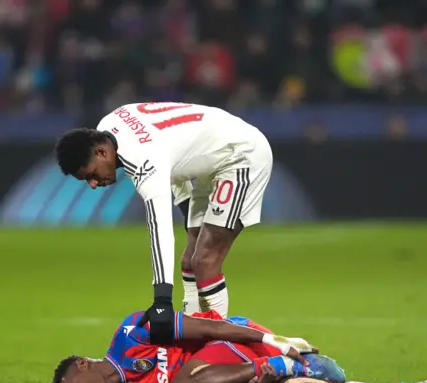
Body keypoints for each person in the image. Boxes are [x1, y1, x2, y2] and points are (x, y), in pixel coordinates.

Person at [54, 102, 274, 345]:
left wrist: (162, 300)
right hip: (210, 157)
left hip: (241, 156)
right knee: (190, 258)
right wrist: (190, 216)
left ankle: (217, 350)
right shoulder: (110, 123)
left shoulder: (141, 161)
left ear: (101, 153)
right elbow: (170, 151)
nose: (93, 184)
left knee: (205, 258)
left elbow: (159, 228)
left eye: (90, 175)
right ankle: (193, 341)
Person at [51, 310, 427, 383]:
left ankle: (285, 362)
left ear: (84, 365)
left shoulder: (131, 335)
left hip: (232, 347)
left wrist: (277, 341)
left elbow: (213, 328)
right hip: (226, 379)